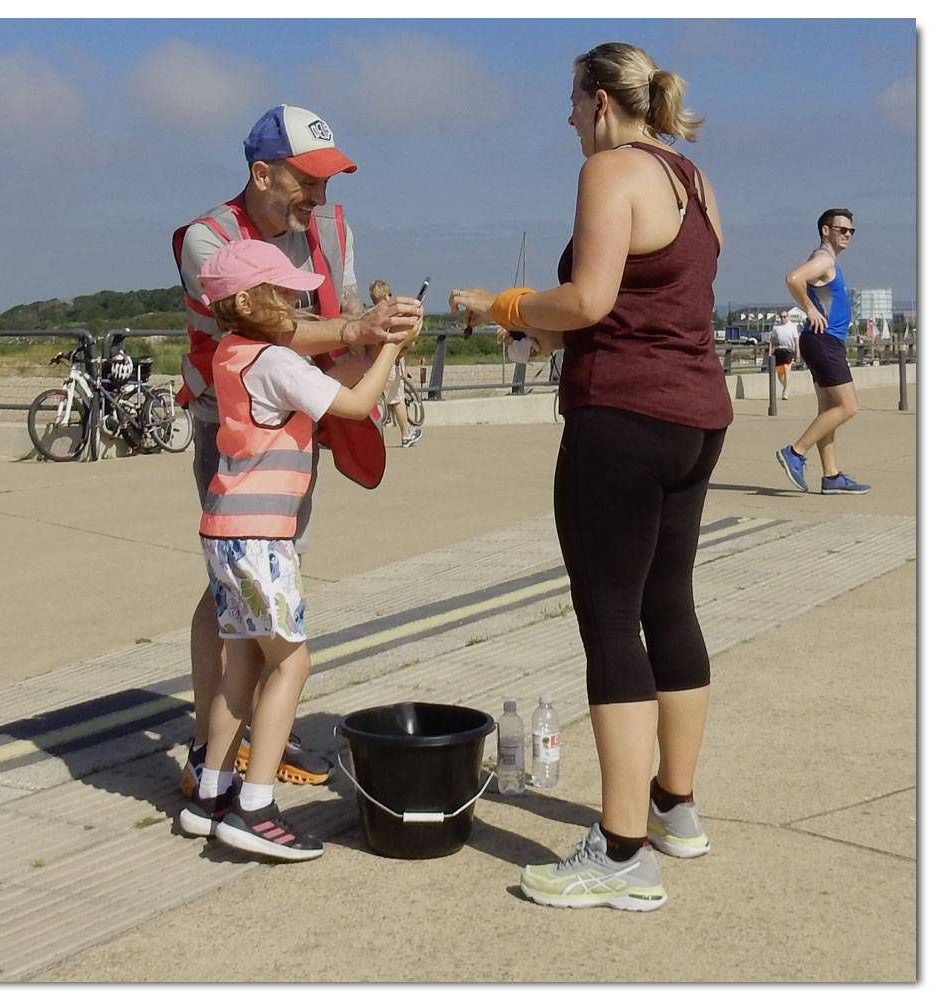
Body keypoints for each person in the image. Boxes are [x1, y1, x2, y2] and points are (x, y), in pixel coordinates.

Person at [450, 41, 732, 911]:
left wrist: (500, 304)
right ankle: (674, 809)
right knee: (669, 606)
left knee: (610, 624)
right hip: (696, 417)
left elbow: (591, 302)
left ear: (605, 102)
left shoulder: (611, 171)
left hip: (622, 423)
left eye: (574, 102)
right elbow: (645, 305)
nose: (570, 117)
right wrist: (540, 332)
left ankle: (619, 856)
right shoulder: (693, 178)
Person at [173, 105, 423, 797]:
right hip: (233, 421)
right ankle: (214, 747)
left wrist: (377, 335)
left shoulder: (331, 225)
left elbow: (337, 314)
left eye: (326, 183)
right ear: (261, 173)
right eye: (305, 183)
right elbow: (278, 324)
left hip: (299, 415)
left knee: (260, 571)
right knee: (238, 580)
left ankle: (243, 740)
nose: (318, 199)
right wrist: (357, 328)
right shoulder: (207, 239)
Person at [776, 210, 870, 494]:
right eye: (842, 230)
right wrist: (810, 308)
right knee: (848, 407)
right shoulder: (824, 259)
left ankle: (831, 476)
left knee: (829, 411)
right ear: (825, 230)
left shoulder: (825, 260)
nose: (847, 235)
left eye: (851, 231)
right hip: (825, 341)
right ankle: (795, 452)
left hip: (822, 341)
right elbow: (793, 278)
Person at [369, 280, 422, 448]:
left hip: (370, 363)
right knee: (396, 399)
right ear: (386, 295)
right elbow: (400, 340)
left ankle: (369, 439)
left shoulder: (370, 314)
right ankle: (406, 434)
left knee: (370, 400)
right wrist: (403, 367)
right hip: (389, 362)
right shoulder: (393, 315)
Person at [769, 309, 800, 399]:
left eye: (784, 317)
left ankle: (786, 390)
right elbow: (772, 340)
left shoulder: (792, 326)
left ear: (788, 317)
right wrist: (770, 352)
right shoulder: (776, 327)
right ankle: (786, 386)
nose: (783, 319)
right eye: (781, 317)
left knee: (787, 368)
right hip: (779, 350)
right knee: (780, 373)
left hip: (789, 350)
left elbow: (796, 341)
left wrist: (797, 353)